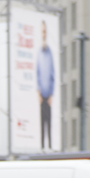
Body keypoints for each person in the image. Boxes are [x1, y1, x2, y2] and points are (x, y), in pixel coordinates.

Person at [36, 22, 56, 150]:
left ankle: (49, 146)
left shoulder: (49, 52)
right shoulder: (38, 52)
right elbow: (37, 73)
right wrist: (38, 92)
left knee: (48, 121)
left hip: (48, 94)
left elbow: (52, 74)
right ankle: (42, 146)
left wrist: (51, 94)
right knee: (42, 121)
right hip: (41, 94)